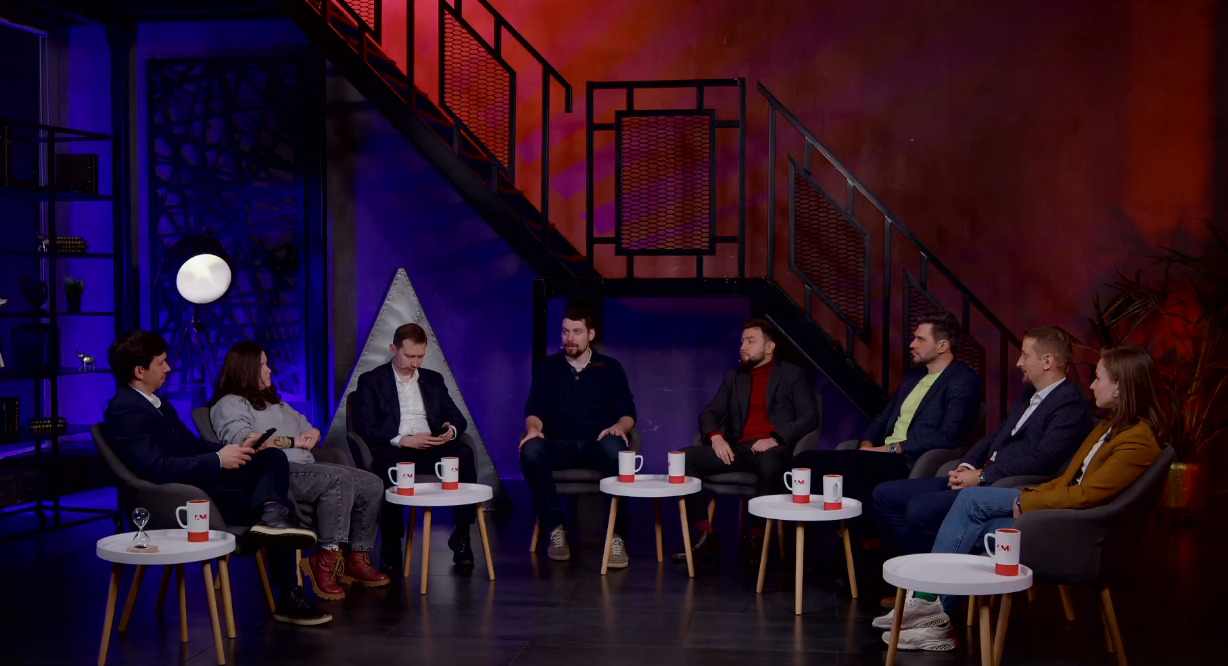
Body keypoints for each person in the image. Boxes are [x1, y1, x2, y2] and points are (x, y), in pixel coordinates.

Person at [878, 345, 1164, 652]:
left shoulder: (1137, 439)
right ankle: (929, 611)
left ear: (1119, 385)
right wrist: (1028, 496)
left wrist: (1026, 502)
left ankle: (932, 615)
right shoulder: (1110, 425)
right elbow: (1067, 481)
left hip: (1076, 530)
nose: (1092, 385)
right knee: (970, 503)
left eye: (1098, 377)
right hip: (1057, 507)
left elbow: (1086, 496)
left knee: (972, 511)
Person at [101, 330, 330, 626]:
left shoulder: (157, 403)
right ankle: (287, 589)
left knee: (271, 458)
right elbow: (155, 467)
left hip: (200, 486)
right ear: (139, 371)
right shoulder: (124, 410)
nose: (168, 368)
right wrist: (219, 460)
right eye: (162, 362)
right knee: (279, 505)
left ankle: (272, 517)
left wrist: (234, 449)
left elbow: (192, 445)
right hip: (178, 501)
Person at [873, 326, 1095, 557]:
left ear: (1047, 361)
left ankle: (929, 573)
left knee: (919, 509)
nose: (1019, 362)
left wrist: (981, 476)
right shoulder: (1029, 395)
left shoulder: (1069, 404)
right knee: (885, 495)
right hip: (978, 478)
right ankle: (913, 565)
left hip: (998, 486)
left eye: (1025, 355)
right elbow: (995, 436)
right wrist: (966, 465)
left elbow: (1041, 460)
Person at [209, 342, 390, 601]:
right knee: (338, 479)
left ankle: (356, 559)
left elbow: (307, 427)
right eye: (263, 365)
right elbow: (246, 441)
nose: (269, 370)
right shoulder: (230, 403)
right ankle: (324, 562)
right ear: (246, 370)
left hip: (308, 467)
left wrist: (313, 433)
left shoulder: (275, 402)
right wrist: (294, 441)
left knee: (372, 483)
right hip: (275, 475)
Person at [792, 313, 982, 538]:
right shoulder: (913, 377)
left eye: (920, 339)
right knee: (805, 461)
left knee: (848, 464)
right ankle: (820, 540)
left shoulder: (962, 380)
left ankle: (858, 541)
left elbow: (947, 436)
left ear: (942, 345)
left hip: (910, 459)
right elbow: (882, 418)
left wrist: (890, 448)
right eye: (914, 337)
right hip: (880, 453)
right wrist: (867, 443)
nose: (912, 344)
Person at [671, 319, 819, 567]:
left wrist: (774, 439)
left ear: (769, 347)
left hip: (774, 450)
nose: (743, 347)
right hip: (739, 449)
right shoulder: (734, 377)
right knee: (683, 458)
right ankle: (706, 536)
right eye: (742, 341)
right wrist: (716, 437)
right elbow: (709, 413)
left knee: (770, 462)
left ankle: (758, 539)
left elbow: (809, 417)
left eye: (751, 341)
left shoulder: (792, 374)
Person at [354, 323, 477, 574]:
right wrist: (403, 439)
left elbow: (458, 418)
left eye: (421, 356)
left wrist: (450, 431)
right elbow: (365, 427)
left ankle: (462, 535)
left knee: (463, 454)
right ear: (393, 349)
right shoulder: (371, 380)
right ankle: (392, 544)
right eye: (410, 356)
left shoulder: (433, 379)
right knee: (387, 466)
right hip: (396, 447)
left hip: (430, 445)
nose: (416, 363)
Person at [519, 307, 637, 567]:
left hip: (597, 443)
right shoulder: (548, 367)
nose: (569, 338)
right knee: (531, 450)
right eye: (565, 332)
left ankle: (616, 535)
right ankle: (556, 528)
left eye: (577, 332)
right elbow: (535, 409)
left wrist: (619, 427)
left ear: (590, 334)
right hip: (558, 445)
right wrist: (533, 429)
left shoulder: (610, 367)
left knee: (616, 448)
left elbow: (628, 412)